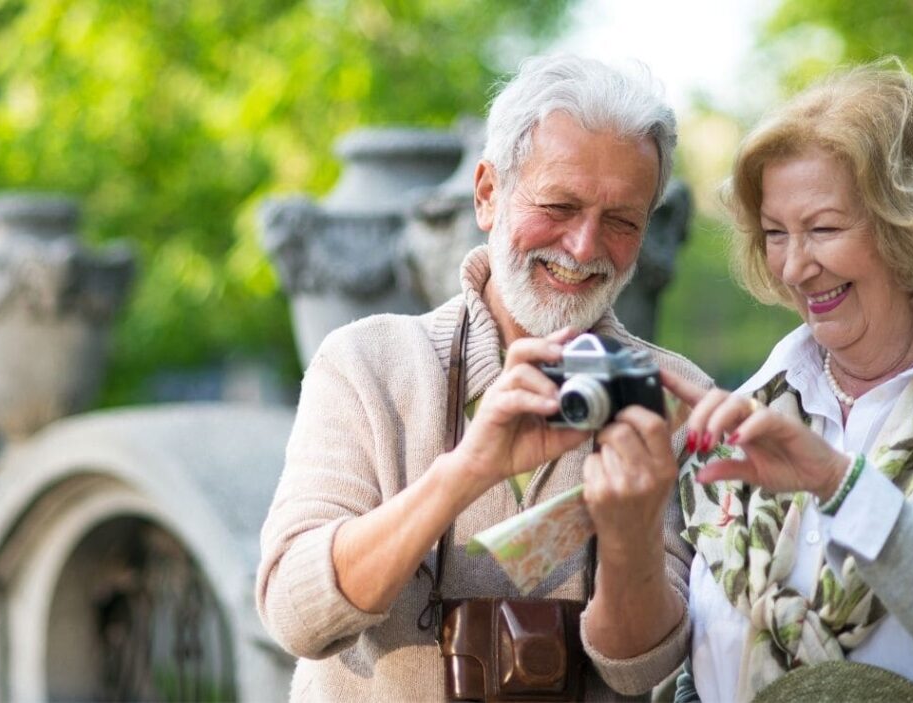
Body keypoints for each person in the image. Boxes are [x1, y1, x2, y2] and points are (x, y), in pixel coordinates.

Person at [256, 53, 711, 702]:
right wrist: (464, 470)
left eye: (620, 221)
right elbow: (295, 613)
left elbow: (644, 671)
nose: (584, 247)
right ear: (487, 193)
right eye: (559, 204)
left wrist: (632, 533)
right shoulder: (366, 363)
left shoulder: (671, 395)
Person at [670, 59, 913, 701]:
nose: (795, 266)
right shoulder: (735, 419)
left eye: (823, 229)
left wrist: (838, 484)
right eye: (775, 233)